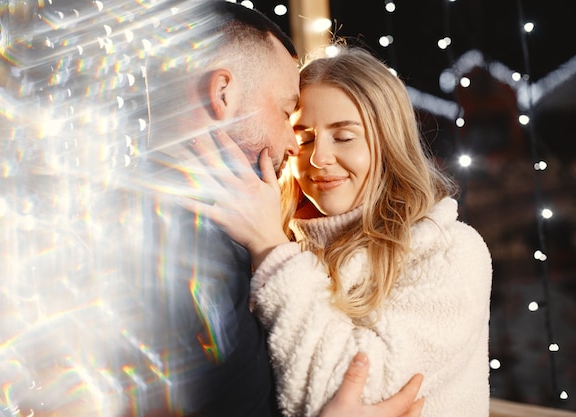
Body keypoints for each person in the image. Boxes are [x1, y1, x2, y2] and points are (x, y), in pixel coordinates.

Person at [136, 2, 424, 416]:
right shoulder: (195, 241)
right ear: (223, 94)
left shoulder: (241, 236)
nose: (299, 151)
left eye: (344, 137)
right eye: (290, 118)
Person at [187, 46, 492, 417]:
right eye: (304, 138)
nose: (318, 158)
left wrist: (271, 250)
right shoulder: (280, 249)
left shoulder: (449, 250)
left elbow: (361, 392)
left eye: (344, 136)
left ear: (387, 141)